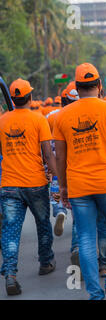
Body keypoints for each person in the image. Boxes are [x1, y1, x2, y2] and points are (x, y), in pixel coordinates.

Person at [54, 63, 106, 300]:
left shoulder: (62, 116)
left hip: (79, 186)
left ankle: (95, 294)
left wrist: (63, 186)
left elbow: (60, 156)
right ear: (100, 86)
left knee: (86, 236)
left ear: (77, 88)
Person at [0, 79, 57, 296]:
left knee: (11, 231)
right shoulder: (39, 120)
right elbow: (48, 154)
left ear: (12, 100)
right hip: (35, 184)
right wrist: (55, 178)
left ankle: (11, 273)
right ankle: (45, 262)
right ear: (30, 98)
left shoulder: (2, 121)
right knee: (43, 224)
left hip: (9, 186)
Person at [46, 81, 80, 267]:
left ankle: (59, 212)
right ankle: (76, 247)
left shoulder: (51, 116)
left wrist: (47, 169)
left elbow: (45, 144)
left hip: (56, 167)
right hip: (75, 169)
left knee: (58, 197)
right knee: (79, 212)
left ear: (64, 98)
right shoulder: (79, 116)